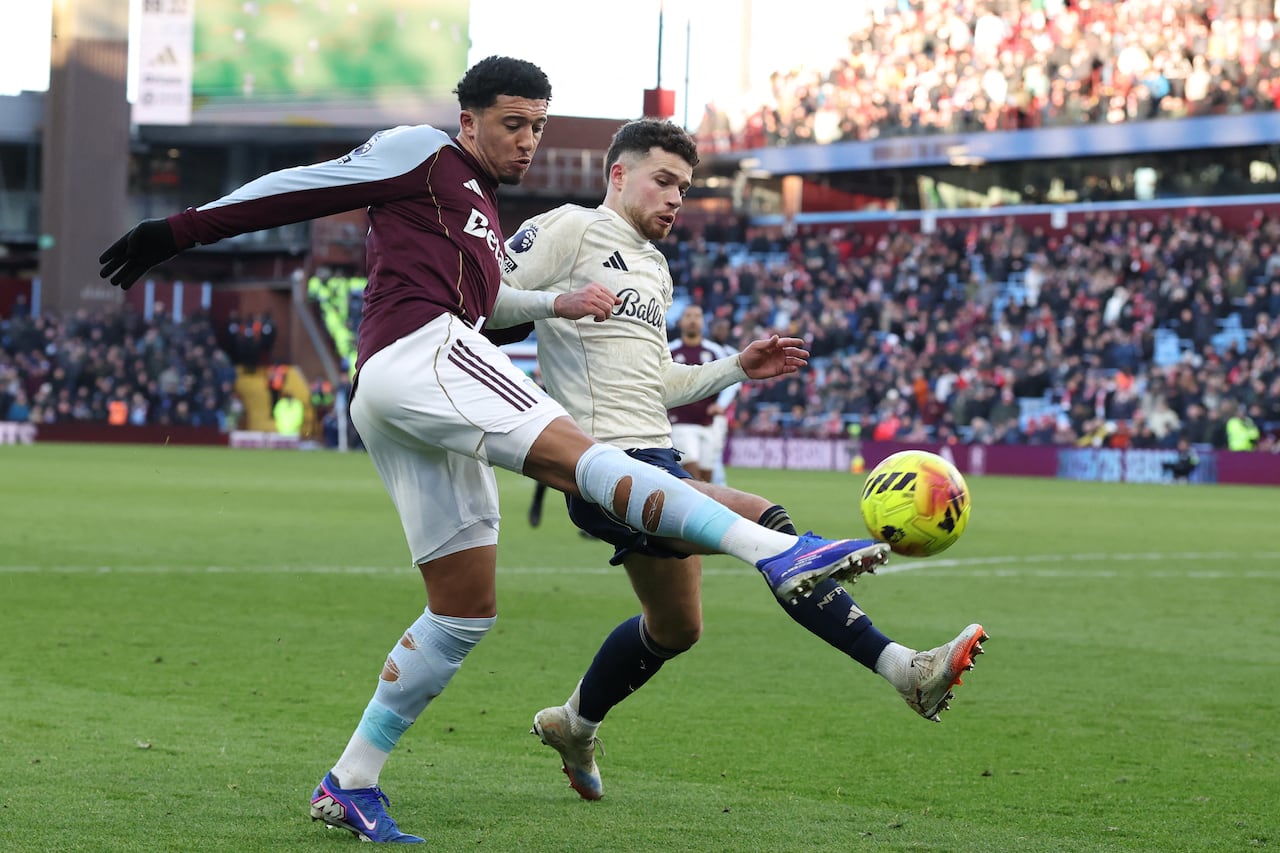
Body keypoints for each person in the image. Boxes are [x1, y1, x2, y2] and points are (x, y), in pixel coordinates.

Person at [97, 57, 888, 844]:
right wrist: (178, 230)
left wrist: (554, 301)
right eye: (514, 124)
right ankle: (777, 551)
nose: (528, 141)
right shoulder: (423, 152)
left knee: (463, 608)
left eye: (538, 126)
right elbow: (307, 184)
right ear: (467, 120)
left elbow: (501, 301)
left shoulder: (476, 210)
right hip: (422, 348)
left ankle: (350, 781)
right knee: (591, 458)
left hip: (403, 391)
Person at [492, 118, 987, 802]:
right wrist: (558, 301)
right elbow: (482, 299)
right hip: (602, 463)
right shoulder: (572, 229)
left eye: (685, 188)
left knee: (676, 627)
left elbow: (657, 381)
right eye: (663, 181)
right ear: (618, 175)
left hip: (656, 455)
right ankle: (906, 668)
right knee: (768, 522)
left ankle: (575, 722)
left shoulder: (655, 268)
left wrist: (733, 369)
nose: (675, 199)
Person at [667, 304, 728, 482]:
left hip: (708, 423)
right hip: (680, 422)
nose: (693, 320)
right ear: (681, 322)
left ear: (703, 322)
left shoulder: (714, 351)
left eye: (697, 316)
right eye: (688, 316)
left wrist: (720, 404)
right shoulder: (670, 350)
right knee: (692, 474)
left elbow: (730, 382)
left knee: (706, 479)